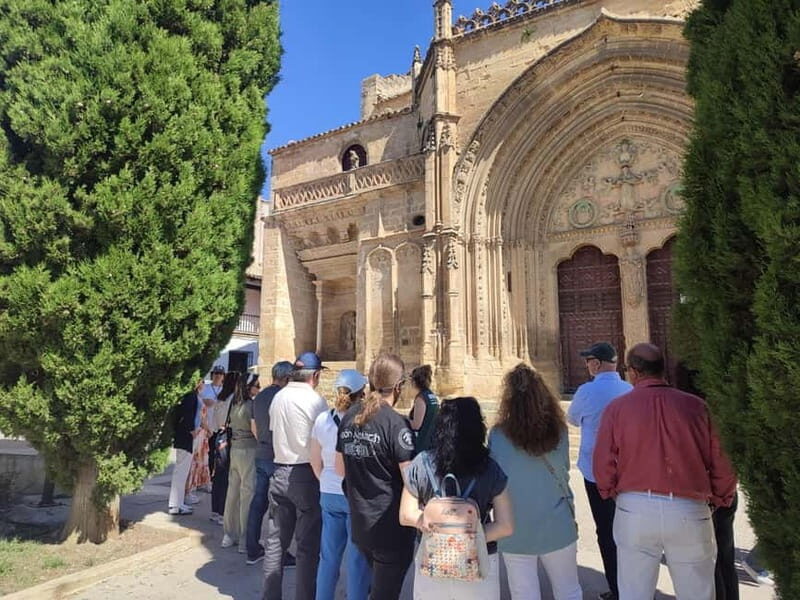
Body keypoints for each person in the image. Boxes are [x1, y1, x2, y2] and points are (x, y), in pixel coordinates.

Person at [593, 343, 737, 600]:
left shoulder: (617, 409)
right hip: (689, 507)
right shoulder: (697, 407)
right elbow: (722, 461)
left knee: (634, 591)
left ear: (633, 372)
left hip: (635, 507)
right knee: (698, 592)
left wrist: (612, 493)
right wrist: (720, 498)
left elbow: (602, 461)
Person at [400, 396, 514, 599]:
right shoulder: (490, 468)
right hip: (478, 561)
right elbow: (505, 526)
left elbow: (406, 514)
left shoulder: (422, 463)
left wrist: (442, 533)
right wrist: (468, 538)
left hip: (433, 557)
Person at [490, 363, 582, 600]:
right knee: (568, 590)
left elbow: (495, 477)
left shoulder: (499, 435)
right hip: (557, 523)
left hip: (514, 528)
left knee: (524, 593)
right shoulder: (559, 432)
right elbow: (563, 471)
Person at [335, 353, 417, 600]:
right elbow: (410, 477)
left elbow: (339, 469)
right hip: (390, 527)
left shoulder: (350, 416)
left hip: (361, 522)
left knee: (379, 588)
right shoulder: (395, 424)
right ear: (398, 386)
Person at [567, 342, 631, 600]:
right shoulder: (629, 390)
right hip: (627, 473)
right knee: (628, 532)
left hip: (595, 473)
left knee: (606, 531)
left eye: (588, 361)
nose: (586, 365)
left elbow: (572, 419)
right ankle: (634, 589)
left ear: (596, 363)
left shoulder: (586, 391)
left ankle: (617, 589)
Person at [262, 352, 329, 600]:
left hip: (279, 470)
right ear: (315, 375)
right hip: (305, 473)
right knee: (307, 546)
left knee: (275, 543)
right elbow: (322, 441)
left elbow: (272, 432)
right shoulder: (315, 401)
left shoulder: (278, 398)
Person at [310, 369, 371, 600]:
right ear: (360, 394)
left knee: (328, 558)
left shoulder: (322, 419)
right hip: (354, 494)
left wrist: (325, 482)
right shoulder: (363, 422)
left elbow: (315, 460)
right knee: (357, 559)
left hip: (328, 492)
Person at [245, 360, 294, 565]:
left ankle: (252, 548)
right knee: (279, 508)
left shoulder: (259, 397)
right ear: (286, 377)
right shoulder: (282, 397)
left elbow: (254, 428)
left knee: (258, 504)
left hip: (261, 453)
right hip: (277, 456)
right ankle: (279, 554)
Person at [221, 372, 259, 554]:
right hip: (249, 449)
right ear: (249, 387)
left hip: (235, 448)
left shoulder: (234, 403)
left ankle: (229, 533)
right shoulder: (252, 405)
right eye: (256, 385)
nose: (258, 388)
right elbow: (254, 429)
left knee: (232, 492)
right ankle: (245, 537)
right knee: (247, 494)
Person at [168, 379, 203, 515]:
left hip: (185, 436)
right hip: (186, 437)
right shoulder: (190, 396)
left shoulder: (191, 395)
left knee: (182, 471)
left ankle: (178, 503)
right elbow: (187, 415)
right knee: (181, 471)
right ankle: (176, 505)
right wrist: (192, 430)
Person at [209, 371, 238, 524]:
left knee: (218, 475)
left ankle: (215, 510)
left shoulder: (221, 397)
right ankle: (222, 512)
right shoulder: (234, 399)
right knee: (226, 475)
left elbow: (214, 422)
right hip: (228, 436)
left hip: (218, 435)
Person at [408, 364, 439, 453]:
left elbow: (416, 425)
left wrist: (402, 419)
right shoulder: (432, 396)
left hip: (422, 444)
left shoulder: (421, 398)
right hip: (432, 443)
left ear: (415, 381)